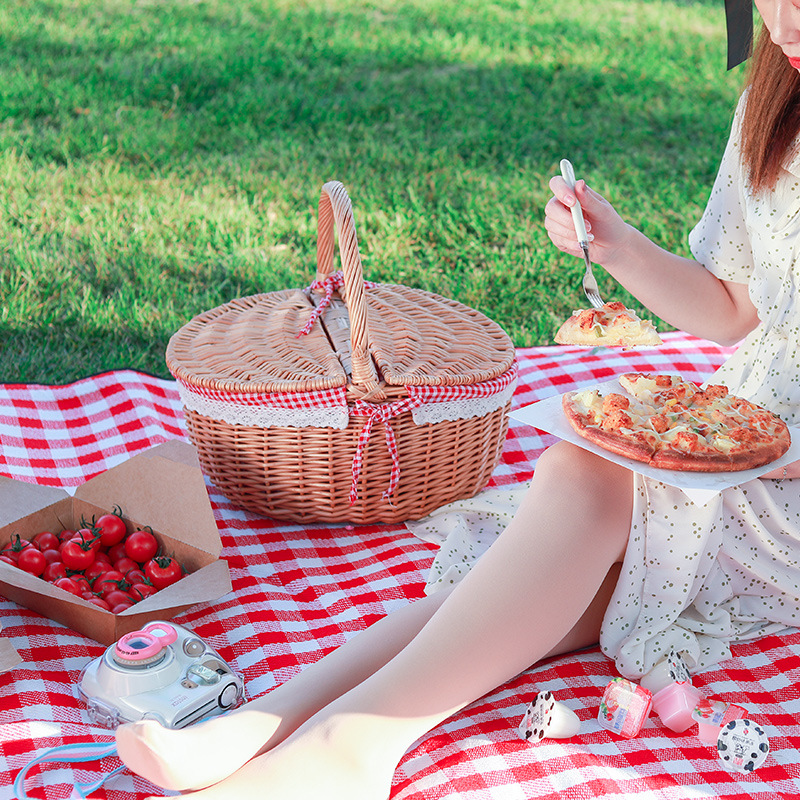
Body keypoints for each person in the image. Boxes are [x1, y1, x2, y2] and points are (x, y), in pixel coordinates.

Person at [115, 3, 800, 798]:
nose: (778, 17)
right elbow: (735, 308)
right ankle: (274, 719)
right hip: (742, 438)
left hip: (782, 489)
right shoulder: (777, 89)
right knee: (537, 580)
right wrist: (619, 250)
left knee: (586, 488)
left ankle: (350, 747)